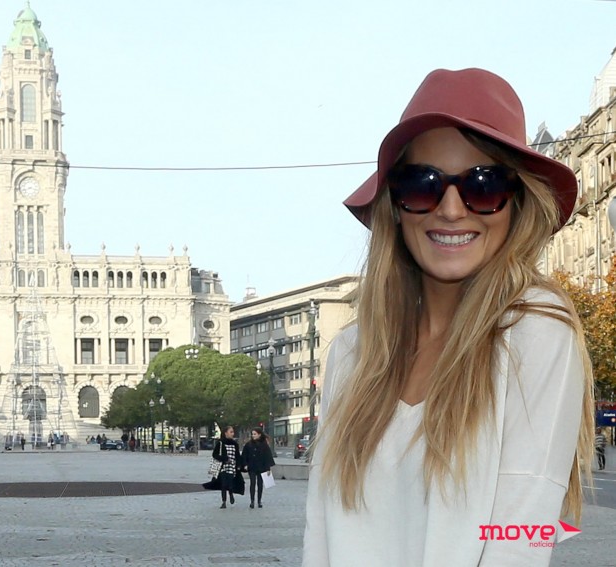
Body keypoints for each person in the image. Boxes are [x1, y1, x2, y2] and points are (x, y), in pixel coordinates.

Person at [303, 68, 595, 566]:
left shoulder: (537, 331)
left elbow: (519, 539)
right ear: (396, 206)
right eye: (423, 184)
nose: (452, 209)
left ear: (517, 203)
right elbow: (320, 533)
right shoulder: (352, 352)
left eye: (484, 185)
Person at [241, 426, 276, 509]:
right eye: (252, 434)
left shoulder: (264, 445)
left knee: (260, 484)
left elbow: (267, 457)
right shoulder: (248, 445)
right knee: (252, 483)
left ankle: (259, 501)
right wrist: (245, 464)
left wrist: (268, 468)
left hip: (261, 467)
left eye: (255, 434)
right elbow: (244, 455)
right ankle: (252, 501)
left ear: (259, 435)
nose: (253, 436)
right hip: (252, 467)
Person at [211, 426, 243, 509]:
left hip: (232, 467)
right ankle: (224, 502)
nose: (232, 434)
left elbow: (237, 456)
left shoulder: (235, 444)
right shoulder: (220, 443)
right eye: (231, 432)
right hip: (223, 467)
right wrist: (224, 459)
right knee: (224, 485)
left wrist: (239, 465)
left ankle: (231, 494)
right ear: (225, 433)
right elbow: (214, 454)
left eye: (233, 432)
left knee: (230, 484)